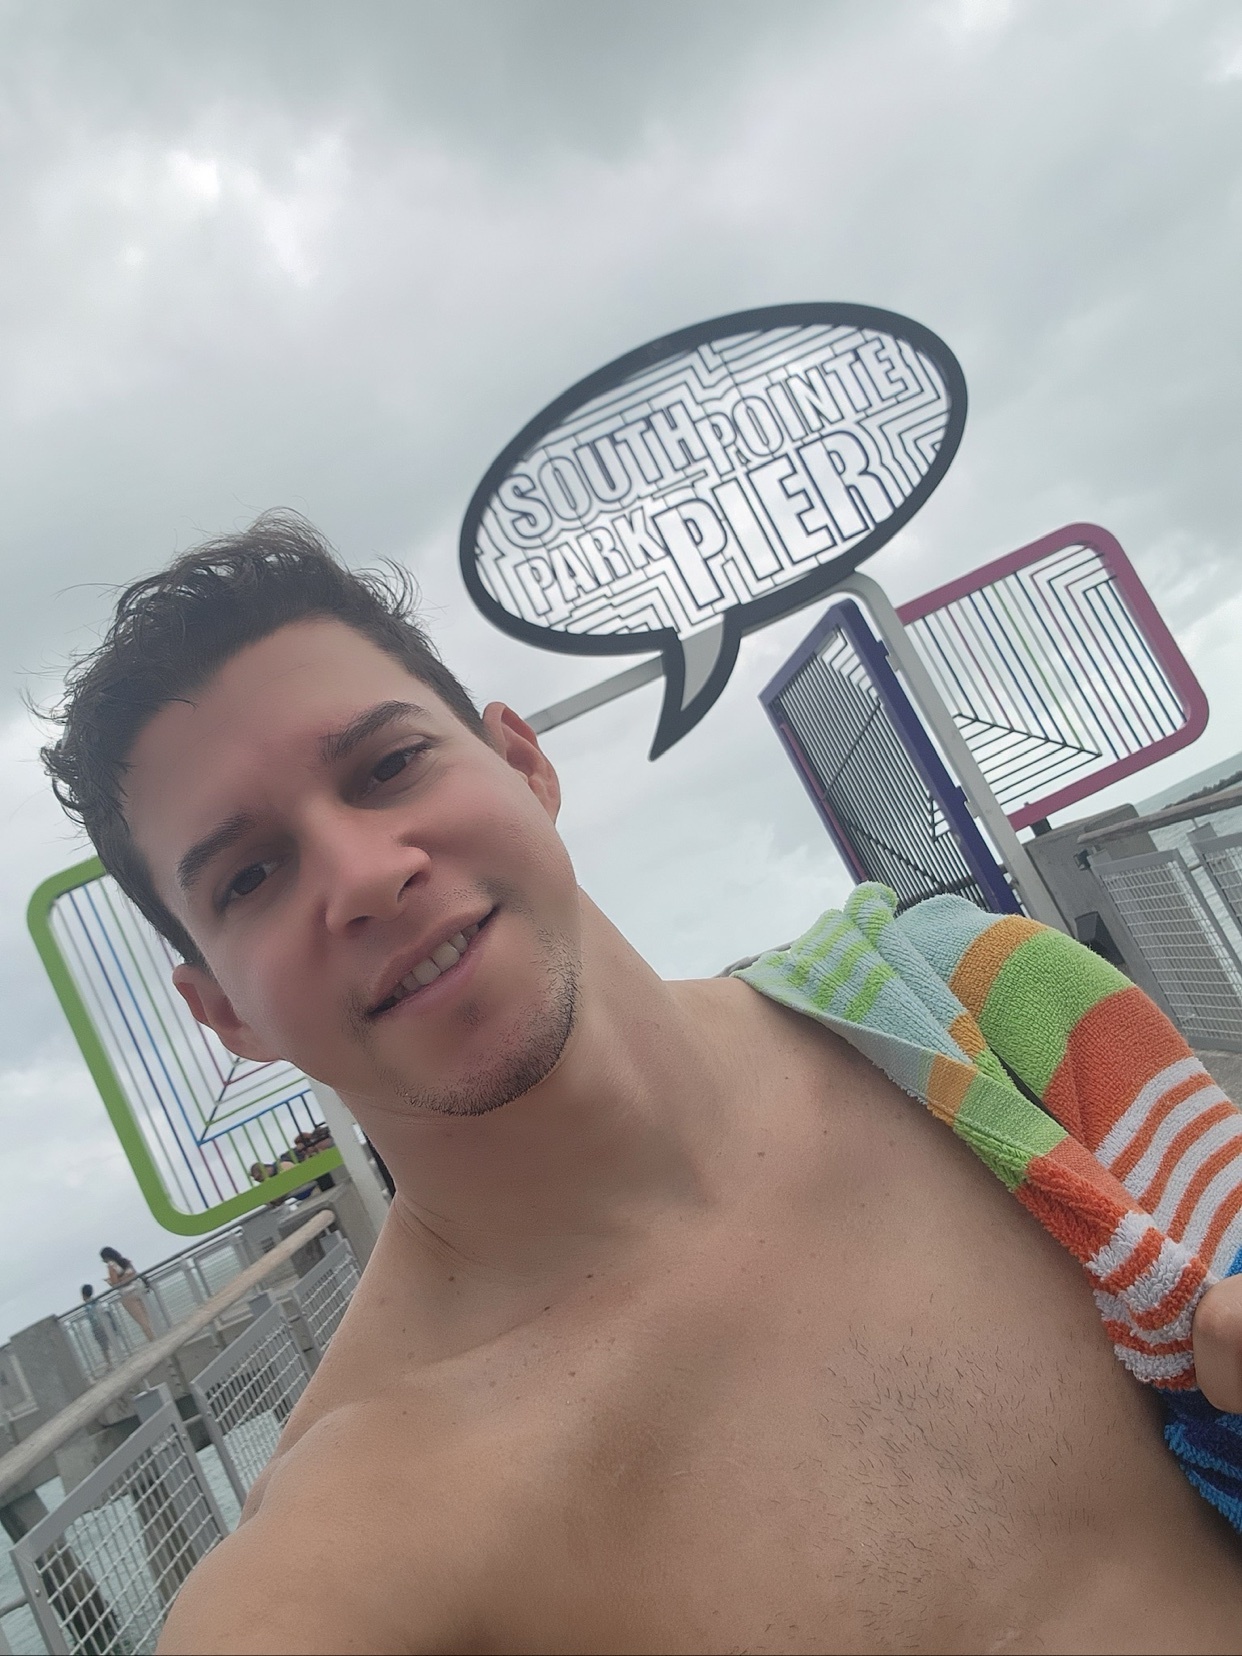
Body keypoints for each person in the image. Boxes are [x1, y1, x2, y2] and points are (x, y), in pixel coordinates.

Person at [39, 513, 1242, 1654]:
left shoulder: (986, 1007)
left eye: (389, 764)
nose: (362, 875)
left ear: (524, 763)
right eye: (250, 877)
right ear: (223, 1013)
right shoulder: (365, 1525)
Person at [99, 1247, 155, 1342]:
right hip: (138, 1290)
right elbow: (133, 1274)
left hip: (128, 1295)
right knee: (148, 1319)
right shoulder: (126, 1262)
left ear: (106, 1257)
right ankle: (156, 1337)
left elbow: (116, 1284)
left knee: (143, 1323)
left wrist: (110, 1282)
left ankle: (153, 1341)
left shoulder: (111, 1266)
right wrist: (126, 1276)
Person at [79, 1283, 113, 1368]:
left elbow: (93, 1316)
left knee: (103, 1347)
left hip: (97, 1328)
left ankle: (109, 1364)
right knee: (107, 1344)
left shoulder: (87, 1306)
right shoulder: (95, 1301)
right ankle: (111, 1361)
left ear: (83, 1294)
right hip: (104, 1324)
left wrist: (98, 1325)